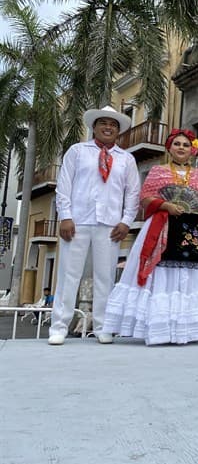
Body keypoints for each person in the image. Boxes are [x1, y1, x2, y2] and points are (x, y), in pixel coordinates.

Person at [101, 129, 198, 345]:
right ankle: (152, 328)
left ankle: (188, 329)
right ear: (169, 148)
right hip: (162, 227)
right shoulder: (158, 171)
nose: (181, 148)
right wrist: (166, 205)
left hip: (191, 231)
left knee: (189, 276)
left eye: (186, 145)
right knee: (159, 274)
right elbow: (145, 197)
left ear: (192, 151)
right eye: (177, 144)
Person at [48, 105, 140, 346]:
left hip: (109, 225)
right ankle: (58, 326)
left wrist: (126, 221)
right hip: (77, 222)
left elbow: (133, 194)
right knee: (68, 275)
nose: (108, 127)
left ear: (118, 131)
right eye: (103, 123)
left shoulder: (126, 159)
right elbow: (63, 185)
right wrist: (65, 216)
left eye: (113, 124)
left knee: (105, 277)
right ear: (94, 127)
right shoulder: (77, 151)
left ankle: (102, 326)